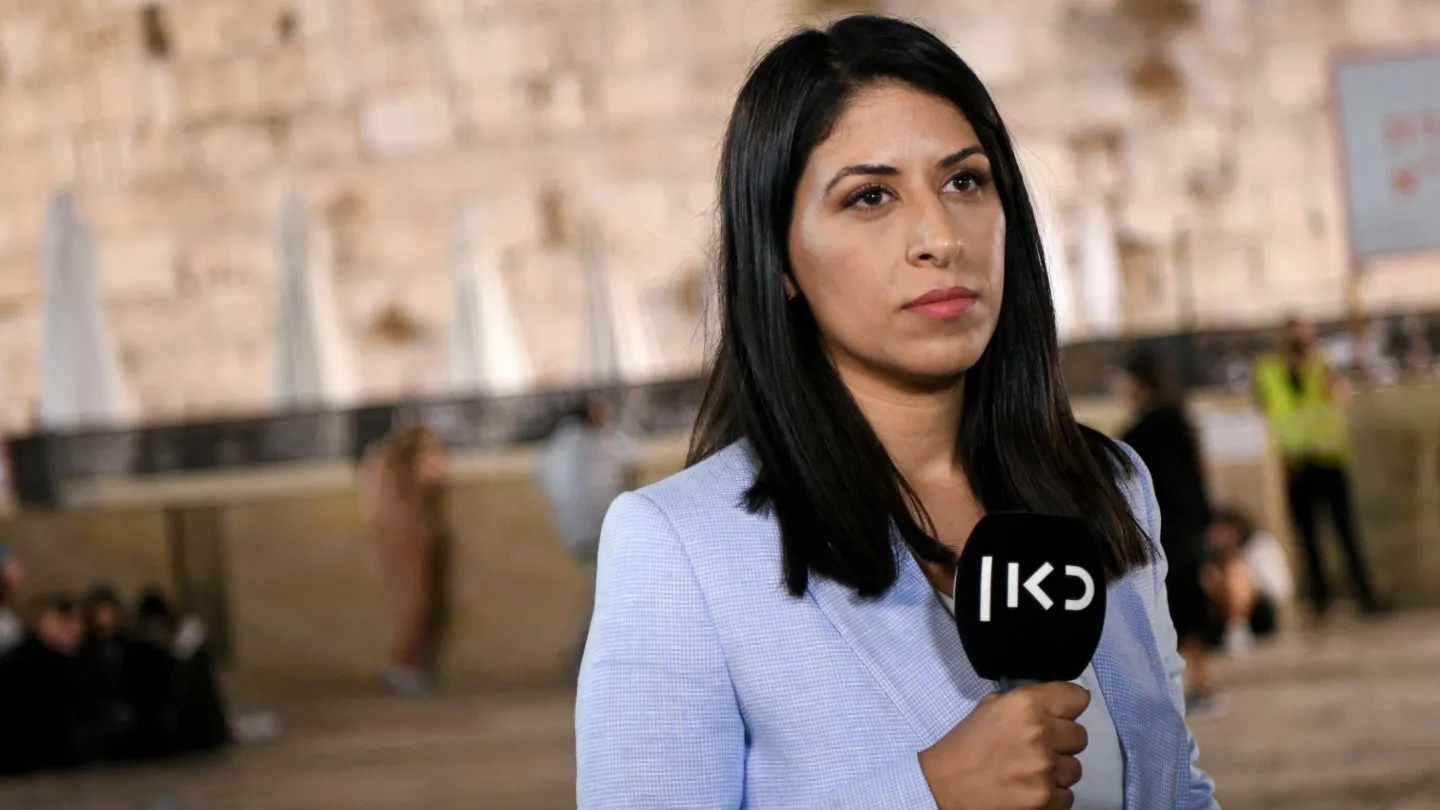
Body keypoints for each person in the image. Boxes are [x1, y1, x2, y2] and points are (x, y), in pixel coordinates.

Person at [576, 15, 1216, 810]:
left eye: (965, 182)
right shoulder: (681, 550)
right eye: (870, 196)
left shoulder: (1108, 487)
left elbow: (1174, 788)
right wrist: (930, 795)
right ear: (779, 260)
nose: (941, 236)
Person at [1253, 315, 1385, 621]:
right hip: (1295, 464)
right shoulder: (1268, 370)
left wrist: (1314, 365)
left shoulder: (1323, 364)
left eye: (1302, 339)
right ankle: (1320, 601)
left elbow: (1340, 396)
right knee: (1307, 538)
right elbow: (1263, 407)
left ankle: (1365, 596)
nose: (1297, 345)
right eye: (1291, 340)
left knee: (1346, 533)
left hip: (1329, 460)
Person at [1116, 349, 1225, 716]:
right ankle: (1196, 684)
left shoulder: (1145, 429)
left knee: (1181, 607)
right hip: (1185, 527)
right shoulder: (1174, 419)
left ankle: (1201, 684)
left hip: (1169, 531)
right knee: (1181, 606)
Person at [536, 395, 638, 671]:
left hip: (575, 531)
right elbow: (630, 454)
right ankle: (582, 654)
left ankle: (582, 653)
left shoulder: (555, 446)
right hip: (598, 528)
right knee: (603, 594)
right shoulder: (596, 444)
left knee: (599, 592)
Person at [358, 423, 451, 696]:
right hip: (406, 535)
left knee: (417, 602)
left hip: (405, 535)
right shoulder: (394, 472)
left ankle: (405, 664)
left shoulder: (386, 470)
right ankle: (403, 665)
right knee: (416, 602)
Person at [1204, 508, 1292, 652]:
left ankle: (1236, 626)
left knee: (1236, 573)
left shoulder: (1259, 547)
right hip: (1216, 615)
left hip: (1259, 611)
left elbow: (1280, 589)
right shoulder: (1209, 556)